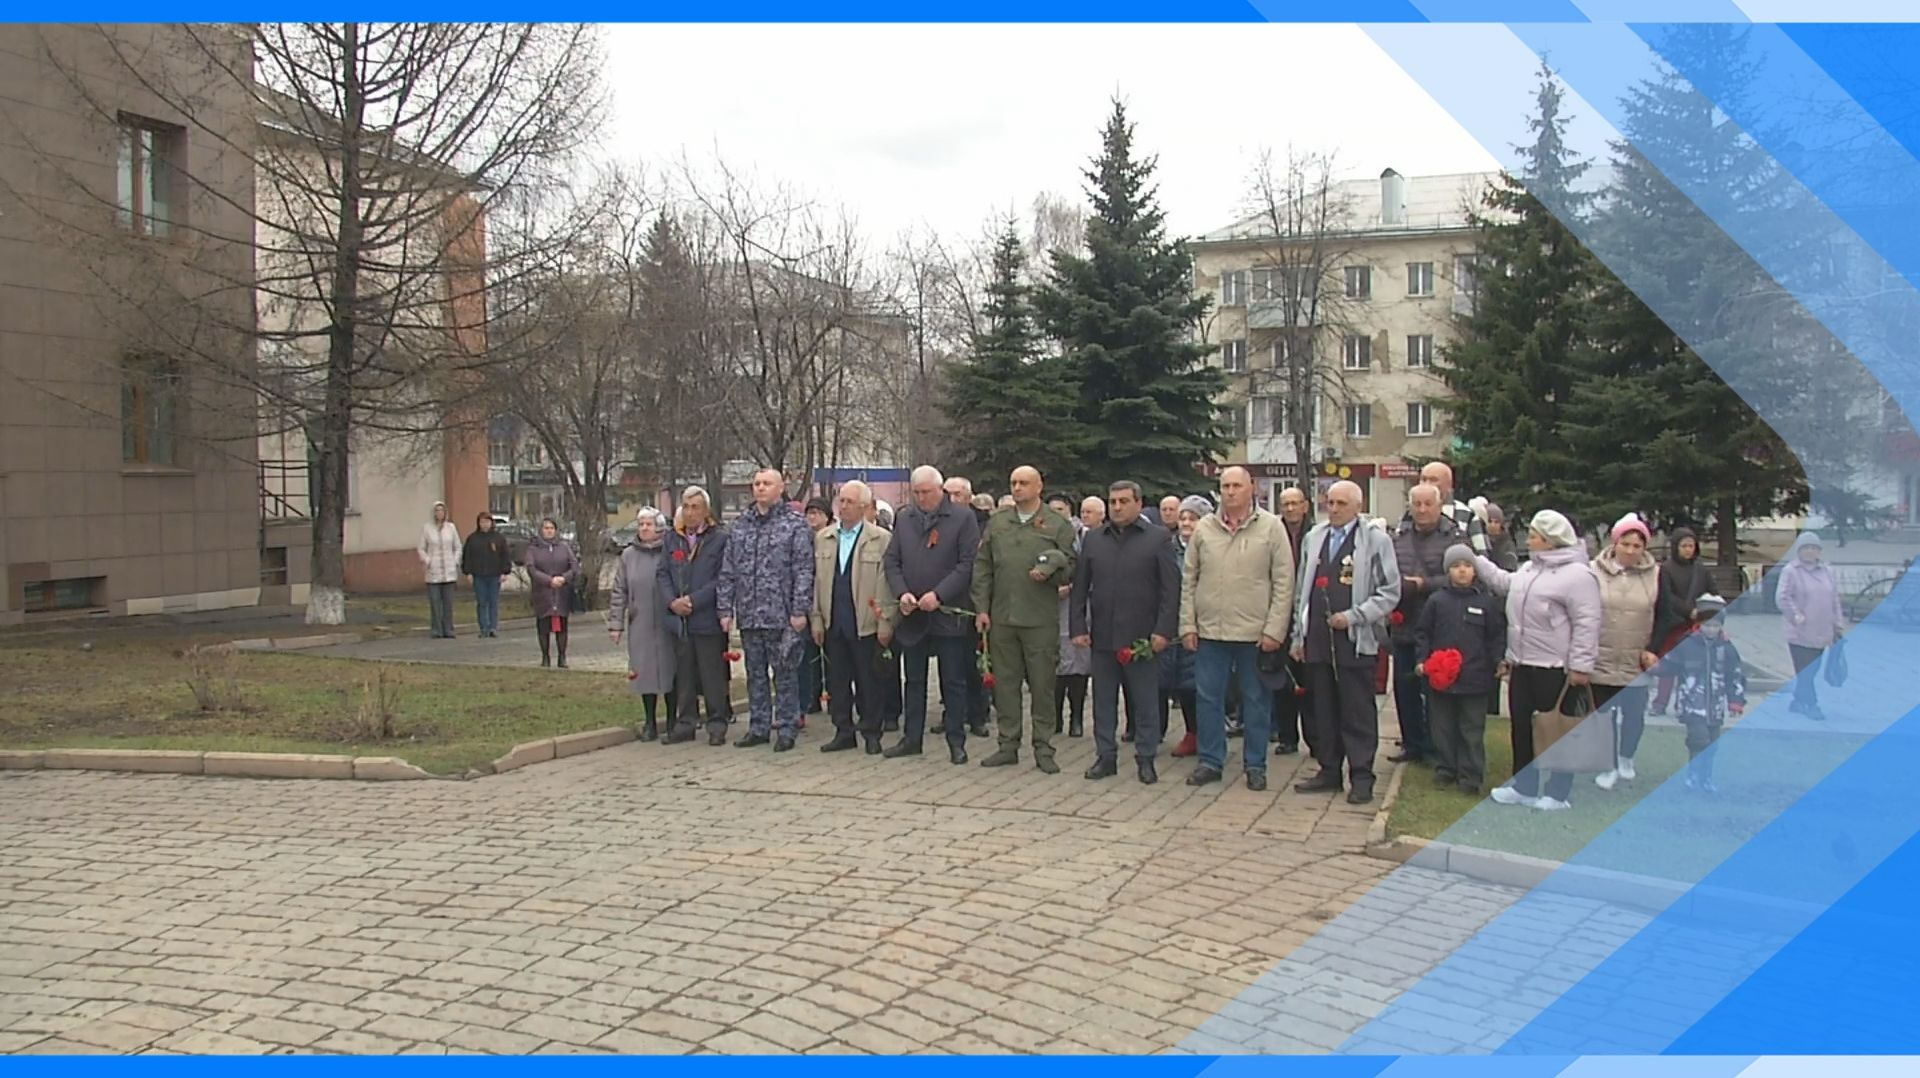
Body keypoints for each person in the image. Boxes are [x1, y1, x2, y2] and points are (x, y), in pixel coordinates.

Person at [1472, 509, 1603, 811]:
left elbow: (1587, 621)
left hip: (1556, 667)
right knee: (1521, 726)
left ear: (1550, 540)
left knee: (1557, 729)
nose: (1528, 540)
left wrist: (1581, 665)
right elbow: (1506, 584)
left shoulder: (1578, 575)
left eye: (1533, 536)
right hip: (1522, 662)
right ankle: (1524, 786)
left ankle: (1558, 792)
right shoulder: (1530, 569)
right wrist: (1477, 560)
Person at [1180, 466, 1295, 791]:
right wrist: (1188, 624)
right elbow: (1189, 580)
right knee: (1207, 698)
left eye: (1236, 486)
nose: (1230, 491)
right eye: (1225, 486)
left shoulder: (1271, 528)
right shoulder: (1204, 528)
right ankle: (1210, 761)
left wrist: (1275, 629)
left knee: (1256, 700)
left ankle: (1255, 765)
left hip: (1254, 634)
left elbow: (1284, 582)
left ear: (1251, 488)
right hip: (1210, 632)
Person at [1290, 480, 1400, 804]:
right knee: (1323, 708)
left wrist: (1354, 615)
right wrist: (1299, 633)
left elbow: (1390, 591)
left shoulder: (1375, 540)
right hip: (1320, 639)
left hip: (1354, 639)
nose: (1334, 509)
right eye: (1330, 503)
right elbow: (1302, 590)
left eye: (1341, 503)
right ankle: (1329, 770)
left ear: (1357, 505)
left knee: (1356, 711)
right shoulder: (1315, 537)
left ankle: (1362, 775)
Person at [1071, 481, 1179, 785]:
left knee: (1145, 702)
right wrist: (1078, 627)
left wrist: (1163, 631)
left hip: (1142, 638)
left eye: (1123, 501)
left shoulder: (1157, 539)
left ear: (1137, 502)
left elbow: (1171, 590)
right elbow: (1080, 588)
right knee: (1103, 701)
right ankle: (1106, 756)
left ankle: (1145, 758)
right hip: (1103, 636)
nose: (1117, 507)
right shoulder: (1094, 540)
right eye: (1113, 501)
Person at [973, 465, 1077, 773]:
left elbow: (1071, 565)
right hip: (1003, 615)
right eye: (1013, 483)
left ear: (1039, 486)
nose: (1017, 488)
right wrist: (981, 607)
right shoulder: (998, 522)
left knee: (1043, 685)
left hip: (1039, 618)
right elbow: (983, 567)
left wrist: (1053, 567)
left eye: (1023, 483)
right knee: (1005, 685)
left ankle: (1044, 747)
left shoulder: (1057, 524)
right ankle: (1008, 744)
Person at [884, 466, 981, 764]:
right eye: (917, 493)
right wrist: (903, 593)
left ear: (941, 490)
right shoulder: (905, 518)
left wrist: (938, 595)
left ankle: (956, 741)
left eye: (927, 492)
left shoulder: (963, 518)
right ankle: (912, 738)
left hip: (947, 612)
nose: (922, 498)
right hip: (913, 614)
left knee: (952, 680)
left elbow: (967, 565)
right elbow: (892, 560)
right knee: (914, 679)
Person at [717, 469, 815, 753]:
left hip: (781, 615)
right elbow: (728, 571)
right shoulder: (740, 526)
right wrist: (726, 608)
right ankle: (758, 726)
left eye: (766, 483)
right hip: (750, 614)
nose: (760, 488)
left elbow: (803, 570)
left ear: (780, 488)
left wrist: (799, 610)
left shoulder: (794, 524)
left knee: (784, 673)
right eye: (757, 484)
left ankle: (787, 726)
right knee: (754, 673)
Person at [1414, 544, 1507, 794]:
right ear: (1448, 571)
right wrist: (1422, 660)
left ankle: (1471, 775)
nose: (1462, 571)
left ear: (1475, 571)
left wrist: (1498, 660)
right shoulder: (1436, 601)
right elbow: (1423, 633)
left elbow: (1496, 636)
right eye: (1456, 567)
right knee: (1442, 727)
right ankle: (1446, 767)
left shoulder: (1486, 602)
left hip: (1475, 678)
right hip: (1441, 678)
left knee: (1471, 729)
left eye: (1467, 566)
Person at [810, 481, 894, 756]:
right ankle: (843, 731)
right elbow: (817, 582)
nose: (843, 506)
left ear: (863, 506)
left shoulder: (880, 538)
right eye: (840, 501)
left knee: (868, 680)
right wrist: (817, 618)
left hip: (865, 621)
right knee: (838, 680)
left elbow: (886, 584)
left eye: (849, 502)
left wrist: (885, 621)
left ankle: (871, 732)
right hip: (835, 619)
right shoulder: (824, 537)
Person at [1388, 484, 1463, 766]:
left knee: (1435, 688)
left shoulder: (1454, 536)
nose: (1421, 510)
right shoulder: (1400, 536)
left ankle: (1437, 747)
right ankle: (1412, 744)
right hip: (1404, 622)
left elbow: (1464, 576)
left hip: (1439, 624)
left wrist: (1424, 584)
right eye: (1416, 504)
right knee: (1404, 688)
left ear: (1439, 505)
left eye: (1426, 504)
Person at [1590, 513, 1662, 792]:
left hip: (1637, 657)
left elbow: (1663, 613)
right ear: (1615, 542)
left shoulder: (1656, 575)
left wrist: (1654, 649)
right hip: (1603, 655)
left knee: (1634, 715)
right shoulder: (1593, 570)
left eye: (1637, 545)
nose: (1631, 551)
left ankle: (1625, 757)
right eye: (1626, 544)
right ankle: (1607, 765)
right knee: (1604, 715)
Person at [1651, 593, 1744, 793]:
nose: (1711, 629)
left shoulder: (1727, 649)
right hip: (1692, 704)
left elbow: (1734, 675)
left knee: (1712, 743)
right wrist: (1655, 667)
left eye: (1715, 625)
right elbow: (1670, 665)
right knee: (1698, 739)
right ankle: (1693, 775)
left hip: (1715, 707)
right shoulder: (1686, 645)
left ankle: (1706, 777)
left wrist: (1736, 701)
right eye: (1707, 624)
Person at [661, 486, 732, 746]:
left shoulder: (719, 539)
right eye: (686, 507)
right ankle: (686, 722)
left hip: (706, 617)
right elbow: (663, 573)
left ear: (706, 511)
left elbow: (722, 579)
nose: (690, 513)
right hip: (680, 620)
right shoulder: (672, 539)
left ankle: (717, 723)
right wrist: (672, 601)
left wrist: (693, 600)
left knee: (711, 674)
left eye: (696, 508)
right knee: (684, 674)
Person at [608, 507, 679, 742]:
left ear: (659, 527)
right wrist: (616, 624)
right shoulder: (628, 556)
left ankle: (672, 720)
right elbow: (619, 591)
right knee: (643, 672)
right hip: (641, 622)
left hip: (667, 620)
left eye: (648, 524)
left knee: (671, 671)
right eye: (641, 525)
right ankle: (649, 721)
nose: (644, 529)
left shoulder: (670, 550)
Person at [1776, 532, 1846, 721]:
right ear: (1799, 550)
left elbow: (1834, 599)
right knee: (1805, 670)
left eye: (1813, 548)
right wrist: (1796, 615)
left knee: (1811, 670)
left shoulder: (1827, 571)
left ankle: (1798, 701)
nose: (1810, 551)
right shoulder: (1791, 571)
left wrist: (1838, 623)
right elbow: (1782, 597)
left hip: (1823, 630)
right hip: (1799, 631)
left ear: (1819, 551)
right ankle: (1810, 704)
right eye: (1806, 548)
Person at [1271, 486, 1315, 758]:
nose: (1290, 509)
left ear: (1305, 506)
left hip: (1308, 614)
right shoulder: (1274, 534)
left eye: (1295, 504)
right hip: (1280, 613)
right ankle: (1287, 736)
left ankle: (1316, 738)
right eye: (1285, 504)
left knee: (1310, 683)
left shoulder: (1317, 534)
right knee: (1282, 682)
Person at [1162, 497, 1208, 758]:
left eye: (1193, 518)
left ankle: (1207, 734)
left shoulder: (1210, 547)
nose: (1187, 523)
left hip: (1205, 625)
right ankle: (1192, 732)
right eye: (1183, 518)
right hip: (1175, 627)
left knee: (1202, 685)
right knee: (1182, 684)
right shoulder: (1169, 549)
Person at [1650, 526, 1709, 717]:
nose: (1688, 550)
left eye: (1691, 546)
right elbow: (1667, 596)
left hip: (1694, 626)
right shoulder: (1666, 569)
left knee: (1691, 666)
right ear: (1676, 547)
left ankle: (1686, 702)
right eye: (1684, 546)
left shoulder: (1700, 570)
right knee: (1668, 666)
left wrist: (1705, 612)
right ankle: (1660, 702)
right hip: (1672, 624)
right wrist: (1687, 610)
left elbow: (1711, 592)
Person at [1403, 461, 1489, 557]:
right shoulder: (1409, 515)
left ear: (1449, 485)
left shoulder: (1467, 515)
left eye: (1433, 480)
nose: (1427, 484)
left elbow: (1482, 556)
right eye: (1423, 479)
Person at [525, 518, 579, 668]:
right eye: (546, 528)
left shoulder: (563, 547)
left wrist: (564, 578)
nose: (549, 531)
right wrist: (549, 580)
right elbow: (531, 569)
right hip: (543, 593)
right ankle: (545, 657)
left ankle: (562, 657)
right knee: (543, 626)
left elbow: (574, 565)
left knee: (562, 626)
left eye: (551, 528)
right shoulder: (533, 549)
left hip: (562, 593)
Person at [797, 497, 833, 720]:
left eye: (817, 513)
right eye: (809, 513)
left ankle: (834, 694)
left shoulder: (831, 537)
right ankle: (812, 696)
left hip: (828, 601)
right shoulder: (804, 538)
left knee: (830, 653)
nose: (812, 517)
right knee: (809, 652)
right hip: (808, 601)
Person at [460, 512, 511, 638]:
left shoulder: (498, 538)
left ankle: (493, 627)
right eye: (482, 522)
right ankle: (483, 628)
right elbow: (467, 557)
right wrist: (468, 572)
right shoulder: (473, 538)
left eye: (487, 522)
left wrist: (505, 572)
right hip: (478, 575)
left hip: (495, 575)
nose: (485, 525)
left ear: (491, 523)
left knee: (493, 601)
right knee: (481, 602)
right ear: (478, 523)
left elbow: (505, 555)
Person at [418, 501, 462, 640]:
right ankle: (436, 629)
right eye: (437, 511)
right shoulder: (427, 528)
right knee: (435, 602)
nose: (439, 513)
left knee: (448, 602)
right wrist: (427, 560)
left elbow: (458, 547)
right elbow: (421, 548)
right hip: (433, 572)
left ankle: (448, 629)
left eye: (441, 511)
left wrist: (455, 561)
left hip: (448, 572)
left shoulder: (451, 528)